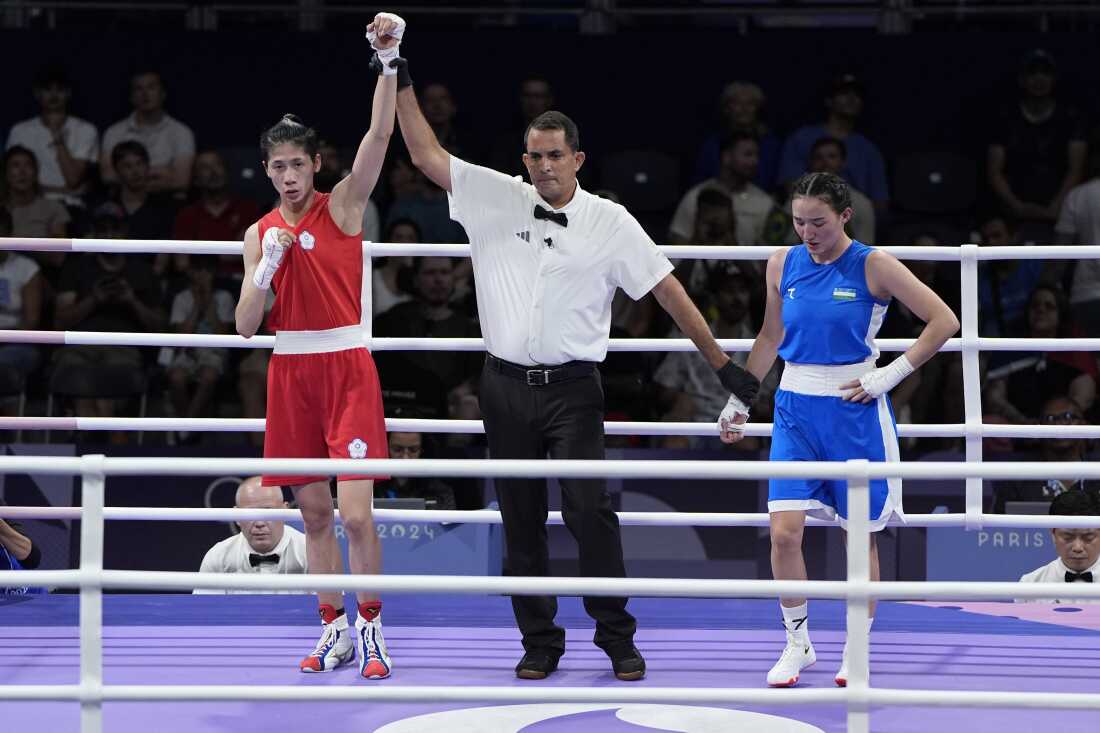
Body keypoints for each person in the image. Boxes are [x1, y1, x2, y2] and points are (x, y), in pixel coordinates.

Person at [390, 42, 761, 682]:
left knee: (591, 512)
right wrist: (396, 68)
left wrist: (723, 364)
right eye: (534, 156)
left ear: (577, 159)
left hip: (574, 390)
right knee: (520, 518)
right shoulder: (494, 195)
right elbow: (424, 153)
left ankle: (616, 637)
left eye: (554, 155)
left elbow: (668, 290)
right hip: (503, 385)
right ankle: (539, 642)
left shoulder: (610, 220)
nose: (543, 166)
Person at [730, 171, 959, 688]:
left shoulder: (873, 264)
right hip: (794, 408)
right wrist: (739, 399)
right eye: (798, 222)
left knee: (859, 537)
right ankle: (798, 644)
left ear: (845, 216)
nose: (807, 233)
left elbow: (944, 320)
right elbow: (770, 335)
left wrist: (889, 374)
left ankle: (857, 647)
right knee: (784, 533)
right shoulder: (781, 262)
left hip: (854, 410)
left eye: (819, 222)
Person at [233, 13, 401, 680]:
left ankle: (373, 629)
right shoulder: (259, 233)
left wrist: (388, 62)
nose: (288, 175)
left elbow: (379, 136)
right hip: (291, 371)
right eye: (278, 166)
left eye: (297, 164)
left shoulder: (345, 206)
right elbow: (246, 326)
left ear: (315, 164)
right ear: (267, 170)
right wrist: (265, 272)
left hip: (347, 367)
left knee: (357, 515)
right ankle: (332, 630)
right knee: (314, 513)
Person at [5, 63, 99, 208]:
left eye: (60, 90)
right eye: (47, 90)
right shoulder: (20, 131)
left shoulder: (85, 130)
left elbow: (73, 179)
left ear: (68, 93)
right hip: (29, 204)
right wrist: (62, 191)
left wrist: (57, 137)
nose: (54, 96)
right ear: (37, 94)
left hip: (71, 206)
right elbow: (12, 181)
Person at [195, 477, 308, 593]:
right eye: (250, 513)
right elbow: (203, 604)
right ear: (236, 516)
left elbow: (320, 604)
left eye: (268, 512)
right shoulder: (218, 556)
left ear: (286, 511)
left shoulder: (309, 553)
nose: (259, 523)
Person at [100, 69, 196, 195]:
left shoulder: (182, 132)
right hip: (124, 203)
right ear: (131, 98)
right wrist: (163, 172)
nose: (145, 94)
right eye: (138, 89)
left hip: (168, 202)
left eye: (151, 87)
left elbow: (181, 181)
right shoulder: (114, 132)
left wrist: (129, 173)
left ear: (163, 94)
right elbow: (108, 176)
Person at [991, 396, 1092, 513]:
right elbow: (1000, 520)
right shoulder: (1018, 478)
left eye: (1068, 416)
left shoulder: (1096, 472)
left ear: (1084, 424)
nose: (1059, 424)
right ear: (1039, 427)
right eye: (1050, 419)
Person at [1017, 489, 1100, 604]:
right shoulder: (1029, 584)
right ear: (1053, 533)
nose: (1077, 547)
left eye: (1088, 537)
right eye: (1068, 537)